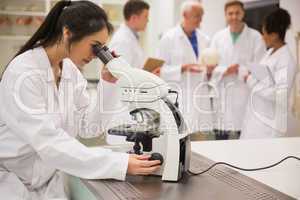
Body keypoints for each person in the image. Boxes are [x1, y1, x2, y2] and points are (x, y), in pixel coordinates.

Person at [0, 1, 160, 199]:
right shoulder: (24, 72)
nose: (96, 55)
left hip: (48, 182)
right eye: (95, 46)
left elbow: (89, 127)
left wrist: (108, 84)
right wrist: (120, 163)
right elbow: (49, 143)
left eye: (101, 48)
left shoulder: (69, 71)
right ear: (68, 33)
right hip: (10, 183)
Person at [209, 0, 266, 140]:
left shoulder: (255, 37)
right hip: (222, 92)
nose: (234, 16)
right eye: (230, 13)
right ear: (225, 15)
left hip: (244, 92)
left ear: (243, 14)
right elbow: (210, 66)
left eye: (237, 13)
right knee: (220, 136)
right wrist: (225, 70)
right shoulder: (218, 37)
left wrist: (240, 70)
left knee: (242, 135)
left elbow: (260, 66)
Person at [156, 1, 213, 134]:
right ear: (185, 15)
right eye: (196, 16)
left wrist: (210, 70)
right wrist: (183, 68)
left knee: (201, 138)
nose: (200, 20)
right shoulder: (168, 38)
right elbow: (158, 71)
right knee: (180, 138)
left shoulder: (205, 39)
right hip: (180, 96)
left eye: (201, 16)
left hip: (200, 96)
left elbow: (206, 68)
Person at [239, 8, 296, 139]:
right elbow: (262, 76)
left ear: (274, 35)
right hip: (255, 118)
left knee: (264, 157)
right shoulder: (269, 53)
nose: (262, 37)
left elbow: (278, 94)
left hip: (269, 123)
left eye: (264, 33)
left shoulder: (286, 60)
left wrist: (249, 80)